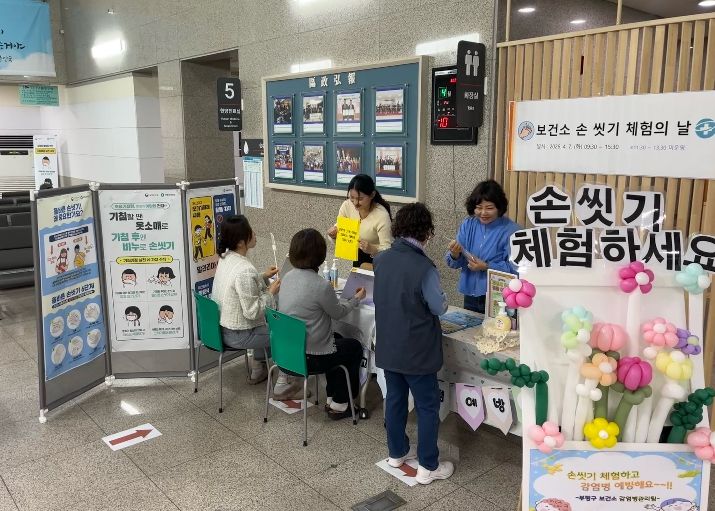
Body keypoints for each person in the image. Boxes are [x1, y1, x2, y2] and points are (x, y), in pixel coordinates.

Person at [373, 202, 453, 485]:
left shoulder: (381, 260)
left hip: (388, 345)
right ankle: (428, 466)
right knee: (427, 406)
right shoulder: (424, 268)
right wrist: (444, 299)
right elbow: (438, 306)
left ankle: (397, 453)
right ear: (426, 232)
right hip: (418, 351)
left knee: (395, 400)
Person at [211, 215, 303, 398]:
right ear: (241, 242)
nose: (254, 234)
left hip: (220, 328)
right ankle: (282, 384)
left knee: (266, 323)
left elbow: (238, 286)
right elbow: (253, 312)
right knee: (287, 333)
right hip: (238, 335)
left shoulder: (226, 258)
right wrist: (271, 292)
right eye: (250, 231)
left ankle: (258, 368)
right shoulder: (245, 269)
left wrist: (262, 276)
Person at [279, 228, 366, 420]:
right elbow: (338, 313)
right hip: (312, 357)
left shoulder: (287, 277)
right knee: (354, 348)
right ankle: (341, 403)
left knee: (338, 339)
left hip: (287, 353)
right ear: (320, 255)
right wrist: (356, 299)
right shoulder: (321, 285)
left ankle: (332, 397)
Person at [445, 180, 521, 314]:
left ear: (499, 207)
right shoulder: (468, 224)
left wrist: (486, 266)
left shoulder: (512, 230)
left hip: (499, 294)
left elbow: (517, 269)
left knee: (497, 326)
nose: (483, 213)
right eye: (479, 208)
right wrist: (455, 255)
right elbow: (455, 262)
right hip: (470, 293)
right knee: (470, 327)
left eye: (489, 208)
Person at [327, 174, 393, 267]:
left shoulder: (381, 215)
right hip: (357, 256)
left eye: (360, 199)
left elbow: (388, 250)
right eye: (352, 198)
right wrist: (333, 235)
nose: (355, 203)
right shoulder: (347, 206)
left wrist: (373, 249)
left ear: (372, 195)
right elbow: (341, 234)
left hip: (378, 261)